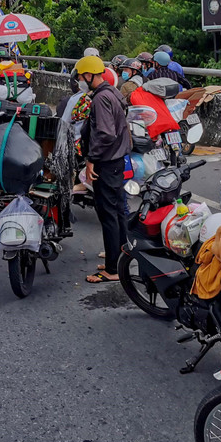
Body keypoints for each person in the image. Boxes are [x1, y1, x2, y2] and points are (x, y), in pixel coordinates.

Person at [76, 56, 132, 284]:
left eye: (81, 77)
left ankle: (112, 270)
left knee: (108, 214)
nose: (80, 80)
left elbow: (105, 133)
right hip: (117, 160)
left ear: (89, 75)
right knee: (118, 211)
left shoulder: (100, 99)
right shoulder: (113, 93)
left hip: (106, 162)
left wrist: (91, 159)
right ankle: (119, 259)